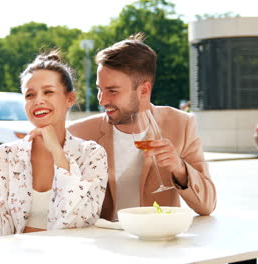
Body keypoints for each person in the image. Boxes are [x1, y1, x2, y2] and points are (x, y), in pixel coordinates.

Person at [68, 33, 216, 221]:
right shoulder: (79, 133)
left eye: (112, 91)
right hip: (105, 242)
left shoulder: (182, 124)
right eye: (99, 89)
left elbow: (207, 205)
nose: (102, 100)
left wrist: (180, 169)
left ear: (144, 90)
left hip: (157, 241)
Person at [0, 51, 108, 237]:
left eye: (48, 92)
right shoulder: (4, 156)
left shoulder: (91, 155)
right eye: (30, 95)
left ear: (70, 99)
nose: (38, 100)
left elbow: (80, 221)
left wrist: (57, 152)